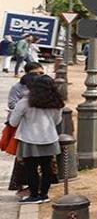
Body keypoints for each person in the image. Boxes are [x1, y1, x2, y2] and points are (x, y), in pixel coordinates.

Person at [7, 75, 62, 204]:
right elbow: (57, 121)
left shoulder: (26, 101)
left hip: (29, 138)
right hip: (49, 137)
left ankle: (34, 195)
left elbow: (13, 122)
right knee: (47, 168)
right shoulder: (56, 102)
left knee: (31, 168)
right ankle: (44, 194)